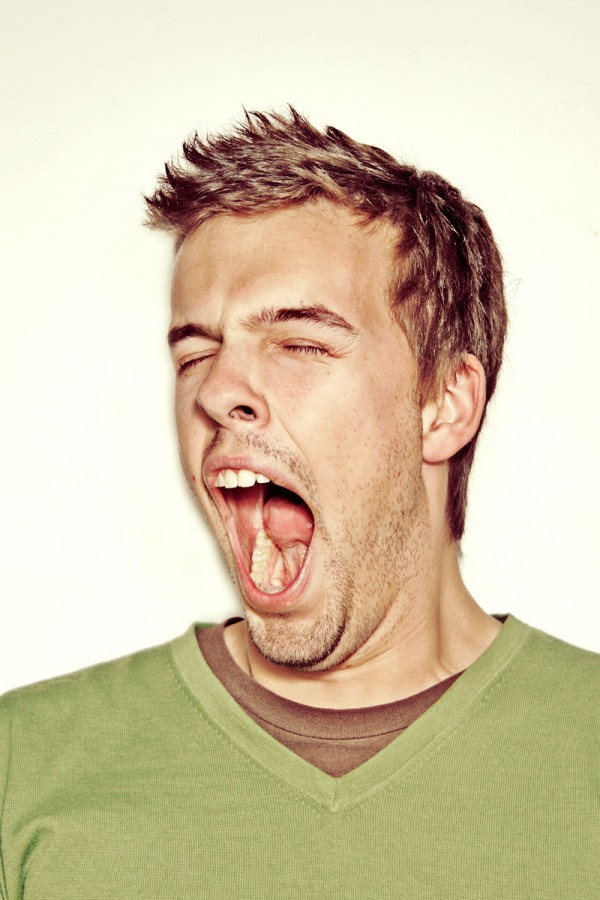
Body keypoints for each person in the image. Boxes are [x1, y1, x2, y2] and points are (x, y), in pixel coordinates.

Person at [1, 109, 598, 899]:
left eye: (300, 343)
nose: (216, 391)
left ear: (445, 406)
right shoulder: (23, 766)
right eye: (197, 352)